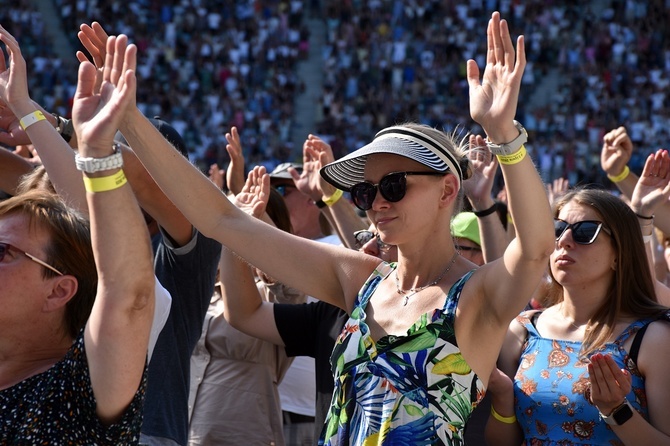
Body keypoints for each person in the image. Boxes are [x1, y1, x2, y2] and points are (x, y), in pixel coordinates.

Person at [129, 11, 554, 444]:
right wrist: (129, 120)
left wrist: (505, 138)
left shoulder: (476, 294)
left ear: (447, 191)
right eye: (367, 193)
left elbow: (537, 249)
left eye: (392, 186)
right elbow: (223, 220)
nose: (378, 203)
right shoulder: (361, 280)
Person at [0, 26, 155, 443]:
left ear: (59, 291)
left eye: (3, 252)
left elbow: (128, 293)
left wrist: (97, 153)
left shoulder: (72, 394)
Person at [486, 154, 670, 444]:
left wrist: (616, 411)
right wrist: (502, 399)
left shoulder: (652, 338)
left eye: (585, 232)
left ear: (619, 254)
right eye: (558, 229)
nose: (564, 241)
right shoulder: (520, 330)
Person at [188, 184, 305, 446]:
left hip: (245, 432)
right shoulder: (204, 289)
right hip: (187, 431)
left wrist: (256, 221)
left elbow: (291, 285)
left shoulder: (273, 292)